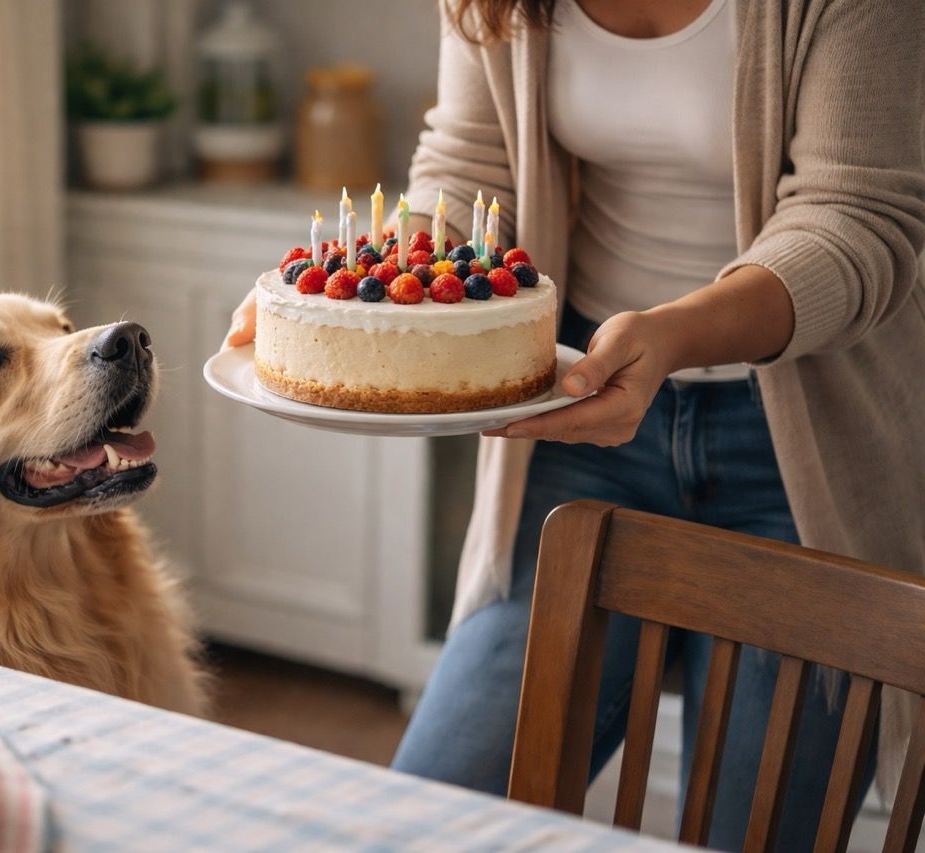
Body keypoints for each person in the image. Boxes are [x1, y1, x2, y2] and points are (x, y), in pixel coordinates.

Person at [225, 0, 925, 848]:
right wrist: (361, 277)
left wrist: (672, 334)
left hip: (800, 453)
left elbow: (857, 221)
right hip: (584, 422)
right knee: (431, 816)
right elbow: (468, 162)